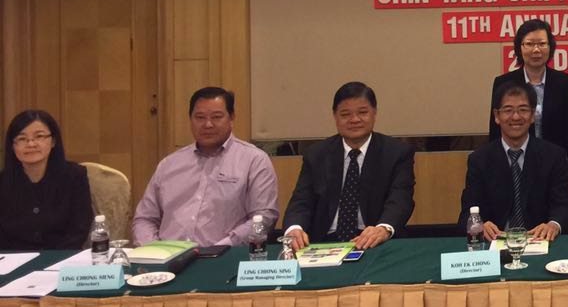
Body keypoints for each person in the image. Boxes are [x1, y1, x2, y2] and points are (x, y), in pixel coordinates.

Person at [132, 87, 278, 247]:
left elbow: (264, 217)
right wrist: (153, 250)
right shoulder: (169, 164)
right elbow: (145, 219)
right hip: (168, 256)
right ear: (190, 119)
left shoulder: (254, 160)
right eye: (200, 117)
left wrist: (224, 247)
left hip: (226, 255)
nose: (208, 124)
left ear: (231, 118)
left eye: (216, 117)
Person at [282, 81, 415, 251]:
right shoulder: (317, 154)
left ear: (374, 113)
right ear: (335, 117)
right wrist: (294, 229)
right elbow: (301, 201)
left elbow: (400, 200)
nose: (354, 120)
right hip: (324, 242)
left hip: (375, 242)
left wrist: (383, 228)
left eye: (362, 112)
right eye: (345, 114)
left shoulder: (396, 152)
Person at [462, 80, 568, 241]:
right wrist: (480, 224)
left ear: (533, 115)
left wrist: (553, 225)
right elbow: (467, 212)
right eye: (508, 110)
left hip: (539, 240)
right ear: (496, 116)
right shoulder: (479, 159)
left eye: (523, 110)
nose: (516, 117)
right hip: (496, 243)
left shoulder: (554, 156)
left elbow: (564, 207)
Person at [488, 18, 568, 198]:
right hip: (515, 165)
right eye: (530, 44)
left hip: (554, 166)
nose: (536, 50)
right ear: (519, 47)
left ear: (550, 47)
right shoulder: (504, 83)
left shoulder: (563, 82)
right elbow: (495, 130)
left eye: (542, 43)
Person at [0, 110, 93, 250]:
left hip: (63, 257)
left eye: (39, 136)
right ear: (12, 146)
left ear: (53, 141)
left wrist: (53, 258)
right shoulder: (3, 182)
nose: (31, 144)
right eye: (22, 138)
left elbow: (80, 228)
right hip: (14, 259)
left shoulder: (74, 176)